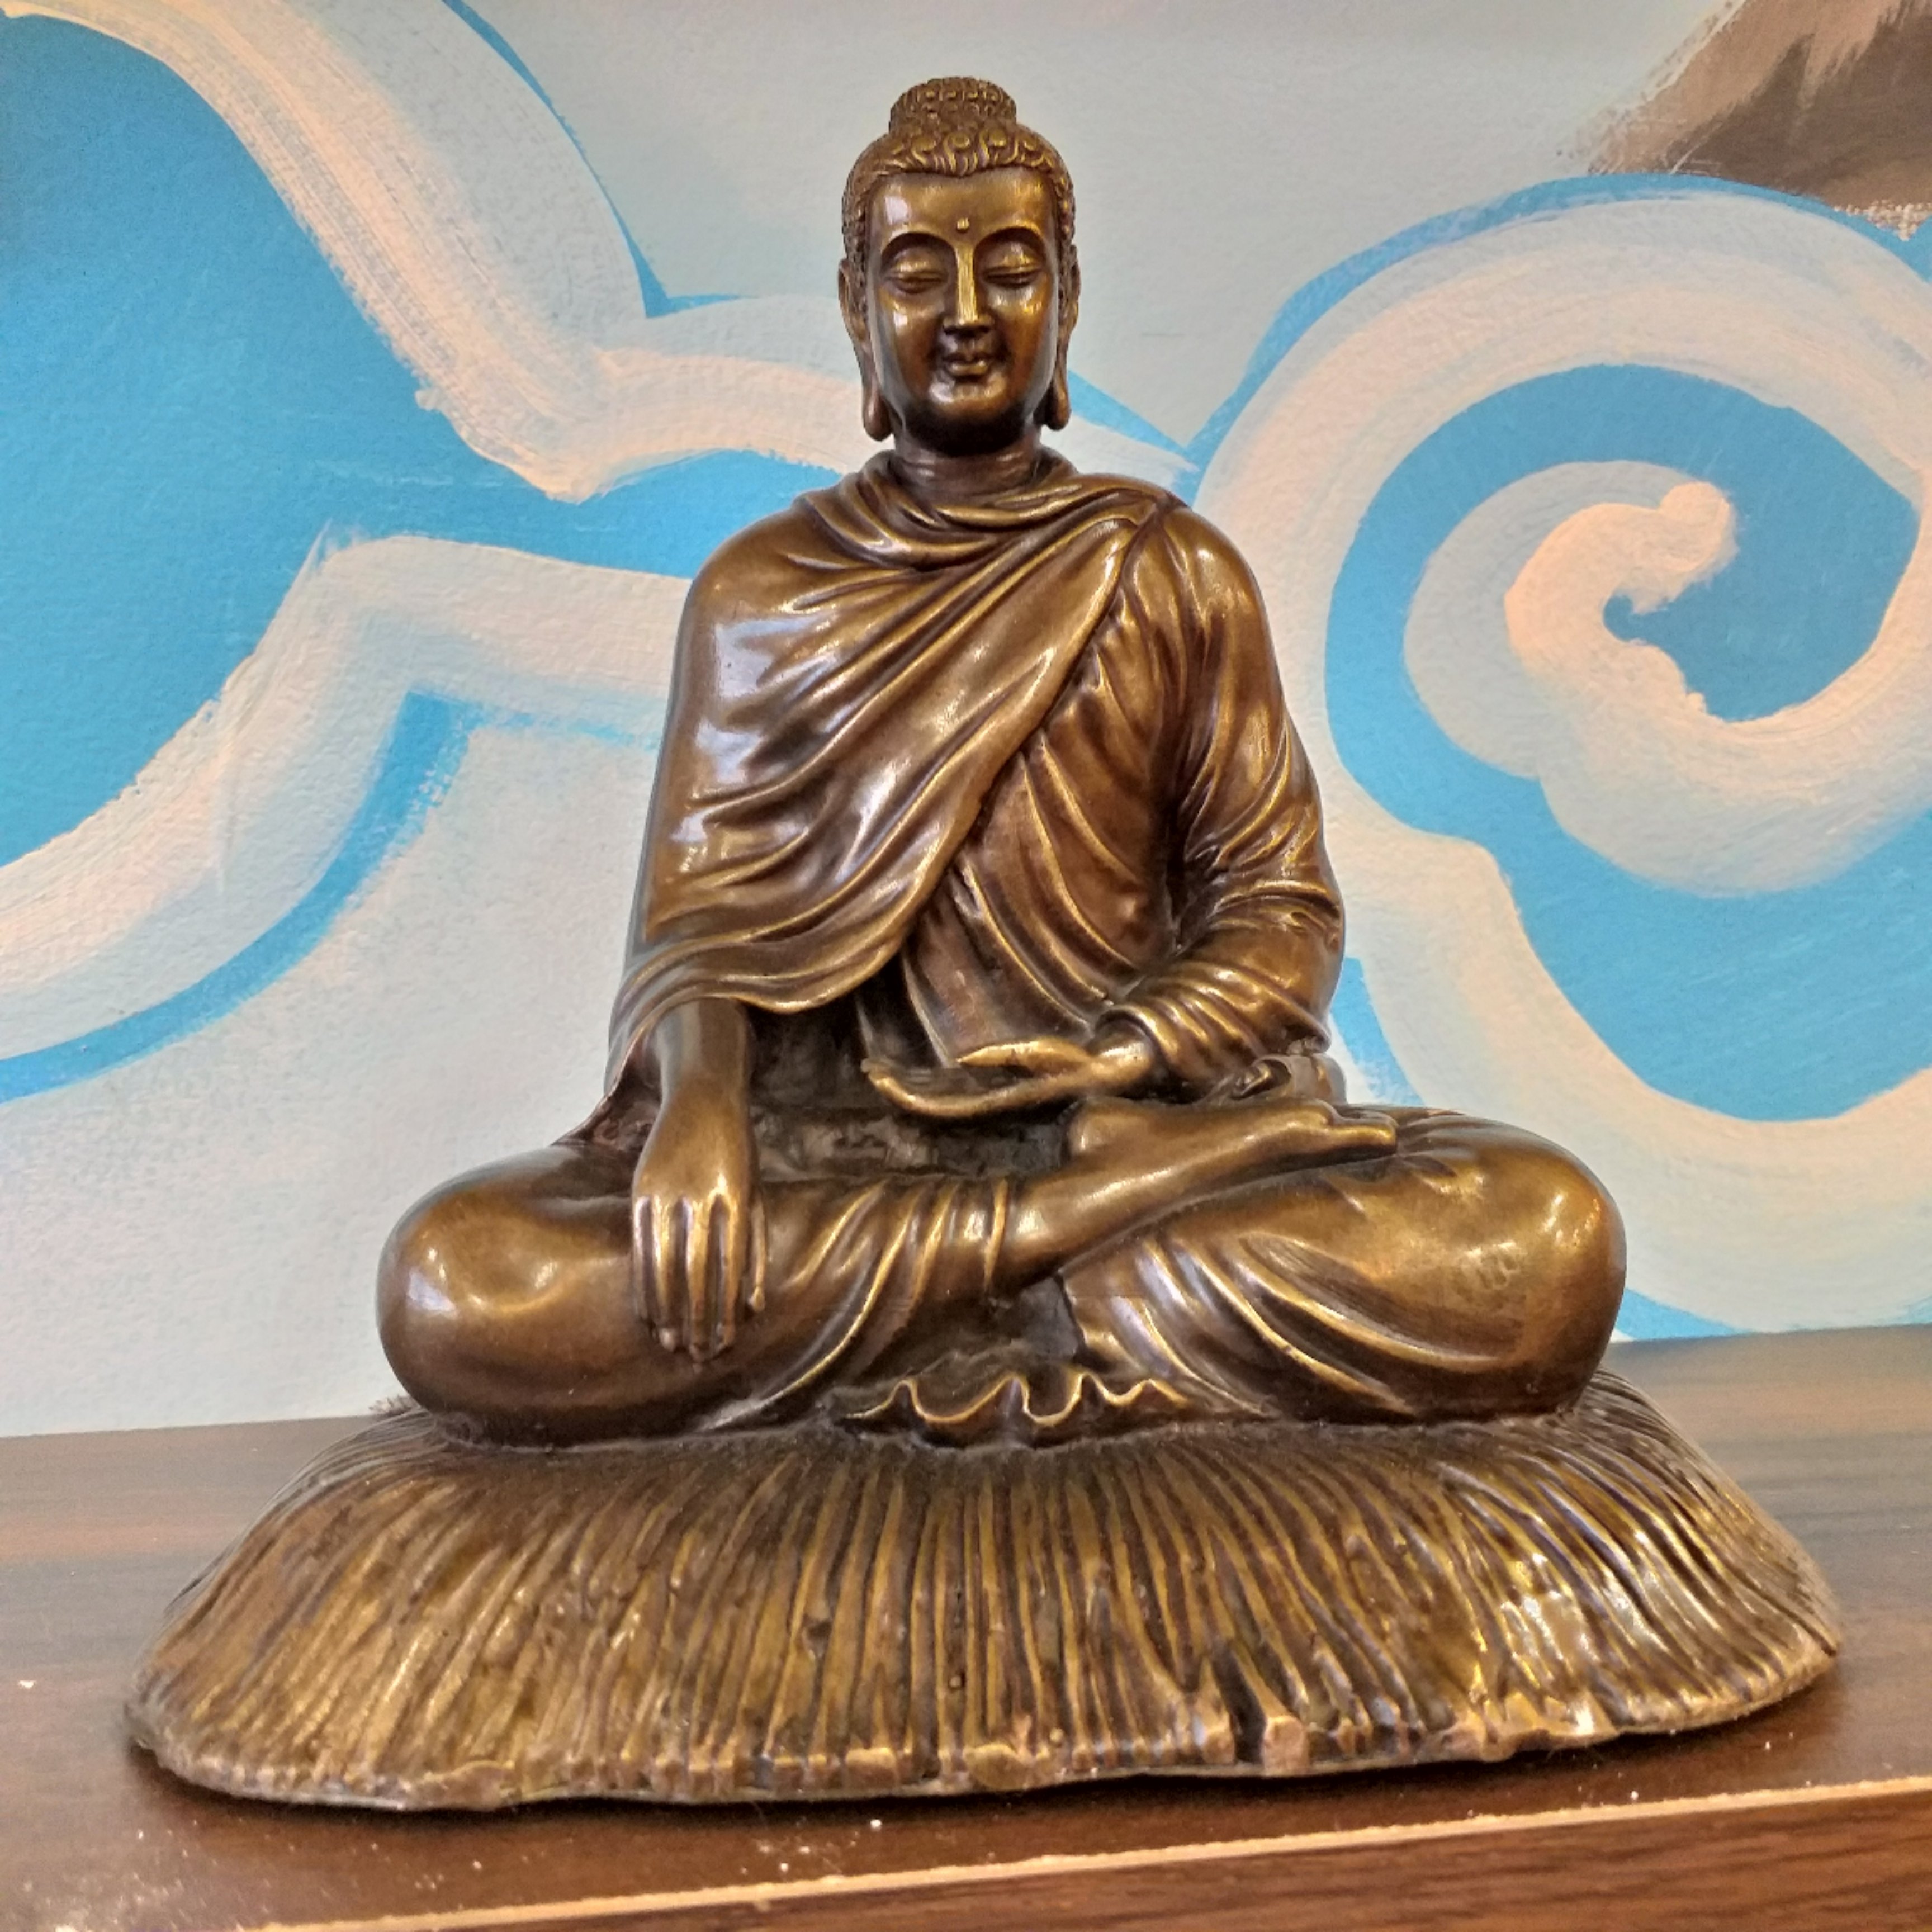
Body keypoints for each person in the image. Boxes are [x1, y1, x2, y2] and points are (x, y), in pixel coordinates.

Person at [377, 77, 1623, 1446]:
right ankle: (1078, 1247)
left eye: (1011, 268)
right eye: (918, 271)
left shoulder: (1171, 571)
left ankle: (1056, 1236)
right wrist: (703, 1107)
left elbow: (1282, 913)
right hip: (851, 1158)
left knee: (1543, 1233)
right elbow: (700, 938)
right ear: (857, 312)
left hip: (1125, 1117)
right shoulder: (763, 594)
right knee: (461, 1279)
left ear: (1066, 305)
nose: (966, 312)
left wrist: (1128, 1056)